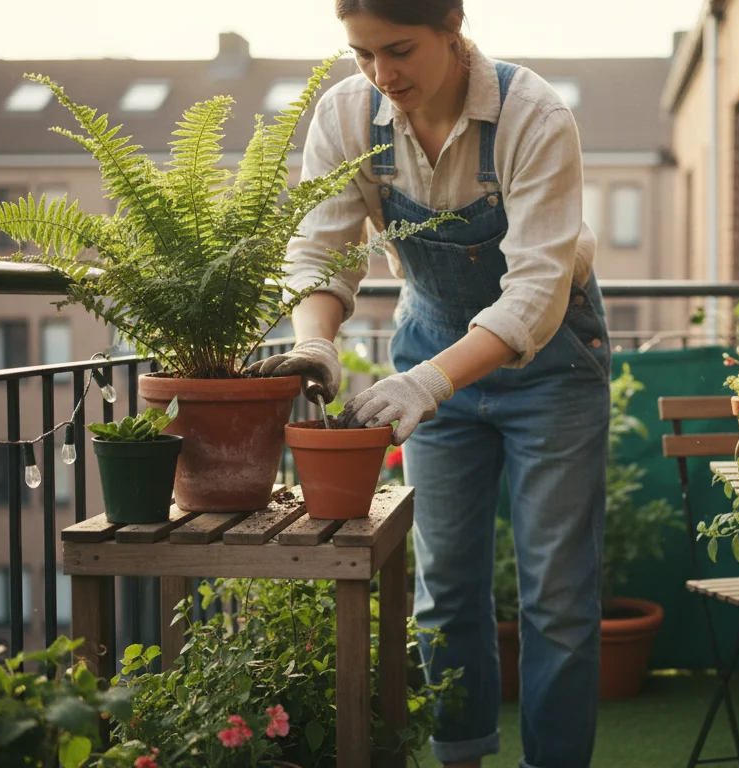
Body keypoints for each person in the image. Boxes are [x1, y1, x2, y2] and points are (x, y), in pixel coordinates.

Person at [246, 1, 609, 765]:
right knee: (444, 592)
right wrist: (314, 343)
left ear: (453, 28)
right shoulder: (349, 118)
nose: (383, 75)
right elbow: (321, 249)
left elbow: (535, 295)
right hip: (430, 343)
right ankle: (462, 756)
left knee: (559, 603)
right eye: (362, 54)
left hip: (552, 366)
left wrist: (426, 385)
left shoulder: (533, 116)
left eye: (400, 50)